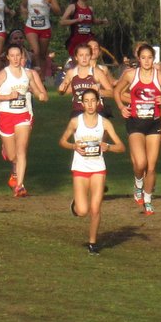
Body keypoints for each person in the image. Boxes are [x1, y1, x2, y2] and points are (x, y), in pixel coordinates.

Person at [61, 90, 124, 255]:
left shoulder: (104, 123)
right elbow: (62, 141)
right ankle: (76, 205)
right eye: (86, 101)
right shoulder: (76, 122)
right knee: (83, 211)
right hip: (80, 168)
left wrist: (108, 147)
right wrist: (74, 146)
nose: (90, 104)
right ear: (82, 104)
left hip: (98, 168)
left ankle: (92, 243)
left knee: (95, 208)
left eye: (93, 101)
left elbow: (121, 146)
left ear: (98, 103)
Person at [114, 44, 161, 216]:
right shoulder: (131, 75)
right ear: (138, 59)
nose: (147, 61)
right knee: (140, 163)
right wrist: (121, 107)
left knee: (152, 166)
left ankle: (147, 200)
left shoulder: (160, 77)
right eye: (143, 57)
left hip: (154, 124)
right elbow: (117, 91)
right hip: (135, 122)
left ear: (153, 58)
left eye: (150, 57)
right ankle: (138, 184)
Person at [0, 43, 49, 197]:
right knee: (12, 156)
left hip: (23, 115)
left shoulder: (28, 74)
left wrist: (40, 95)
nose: (16, 59)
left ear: (22, 56)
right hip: (5, 115)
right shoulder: (3, 74)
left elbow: (41, 94)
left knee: (21, 151)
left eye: (18, 55)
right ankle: (6, 148)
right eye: (12, 56)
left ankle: (20, 186)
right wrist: (7, 96)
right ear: (8, 57)